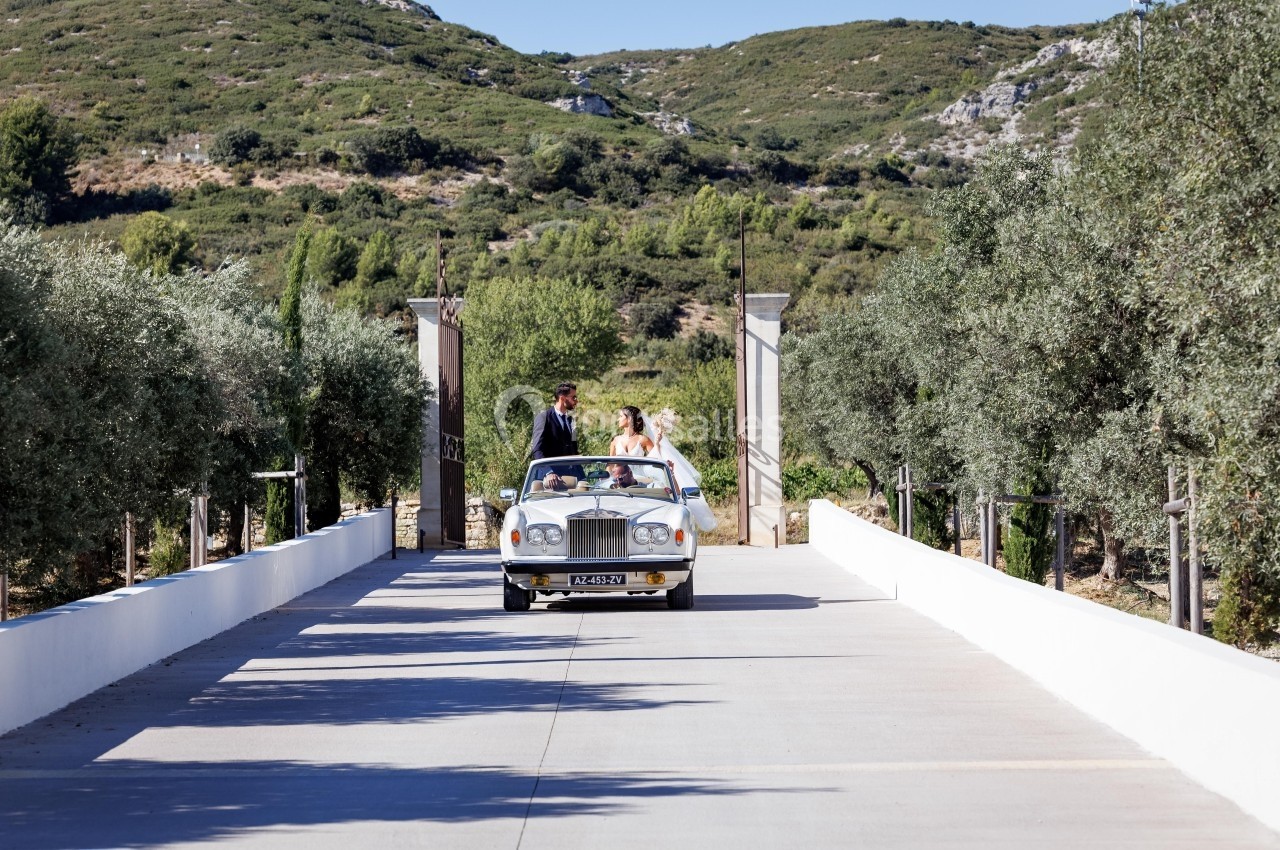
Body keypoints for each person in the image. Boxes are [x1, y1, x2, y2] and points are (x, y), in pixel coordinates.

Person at [530, 382, 581, 490]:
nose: (576, 401)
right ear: (562, 398)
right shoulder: (544, 417)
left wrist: (582, 477)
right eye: (573, 397)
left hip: (570, 481)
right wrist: (549, 472)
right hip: (549, 481)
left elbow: (574, 452)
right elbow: (537, 449)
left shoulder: (571, 421)